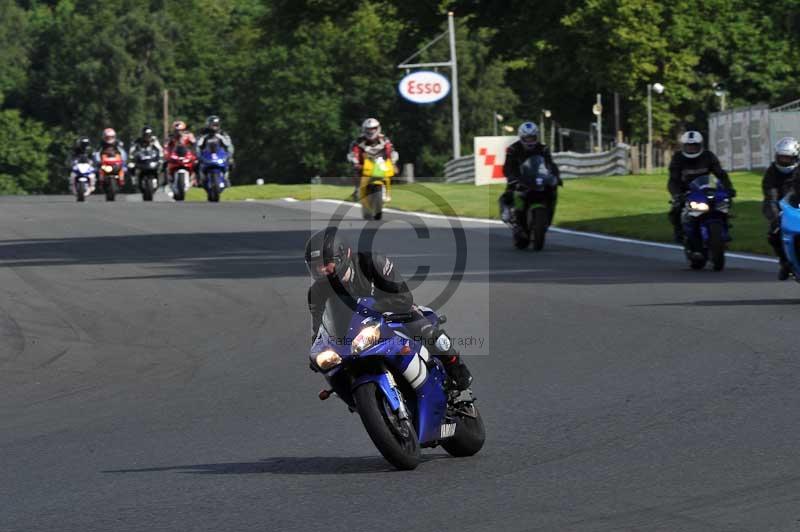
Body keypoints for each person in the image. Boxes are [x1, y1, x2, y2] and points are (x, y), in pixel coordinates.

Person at [304, 226, 472, 391]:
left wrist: (375, 308)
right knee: (334, 370)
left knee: (427, 332)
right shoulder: (316, 293)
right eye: (316, 266)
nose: (321, 270)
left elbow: (404, 298)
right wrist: (317, 353)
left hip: (393, 312)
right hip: (354, 333)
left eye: (326, 263)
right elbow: (319, 329)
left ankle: (456, 367)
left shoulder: (372, 263)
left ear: (345, 254)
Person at [667, 130, 735, 242]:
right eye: (688, 146)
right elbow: (674, 179)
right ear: (683, 146)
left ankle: (724, 226)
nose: (691, 148)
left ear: (700, 145)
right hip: (686, 190)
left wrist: (729, 188)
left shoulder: (708, 156)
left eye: (694, 146)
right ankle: (679, 231)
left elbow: (720, 174)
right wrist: (677, 194)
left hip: (706, 188)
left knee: (723, 203)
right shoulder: (678, 158)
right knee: (676, 209)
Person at [500, 122, 562, 224]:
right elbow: (508, 166)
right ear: (521, 137)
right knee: (510, 191)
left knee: (552, 189)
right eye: (527, 138)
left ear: (536, 136)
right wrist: (512, 177)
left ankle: (549, 212)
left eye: (532, 137)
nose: (530, 140)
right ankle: (507, 210)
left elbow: (550, 164)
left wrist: (555, 176)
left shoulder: (543, 148)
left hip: (538, 176)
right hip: (519, 176)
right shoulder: (513, 149)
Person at [762, 137, 800, 280]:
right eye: (781, 157)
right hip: (780, 206)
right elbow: (770, 196)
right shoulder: (771, 173)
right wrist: (775, 216)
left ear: (795, 157)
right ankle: (785, 262)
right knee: (774, 232)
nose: (784, 161)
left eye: (787, 158)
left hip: (797, 204)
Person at [348, 118, 399, 201]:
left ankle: (386, 190)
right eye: (368, 129)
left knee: (392, 171)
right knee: (355, 170)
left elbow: (391, 150)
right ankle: (357, 189)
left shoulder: (384, 139)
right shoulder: (358, 141)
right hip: (363, 163)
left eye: (373, 128)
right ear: (364, 129)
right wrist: (355, 162)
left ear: (378, 128)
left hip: (380, 163)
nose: (371, 131)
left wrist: (393, 163)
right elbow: (353, 152)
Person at [197, 115, 234, 186]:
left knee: (231, 162)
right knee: (196, 164)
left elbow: (229, 144)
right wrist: (198, 155)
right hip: (207, 155)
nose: (214, 127)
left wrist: (229, 155)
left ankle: (226, 178)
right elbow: (198, 145)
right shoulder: (203, 134)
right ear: (208, 125)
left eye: (216, 125)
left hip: (220, 154)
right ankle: (201, 179)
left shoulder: (222, 133)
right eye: (213, 125)